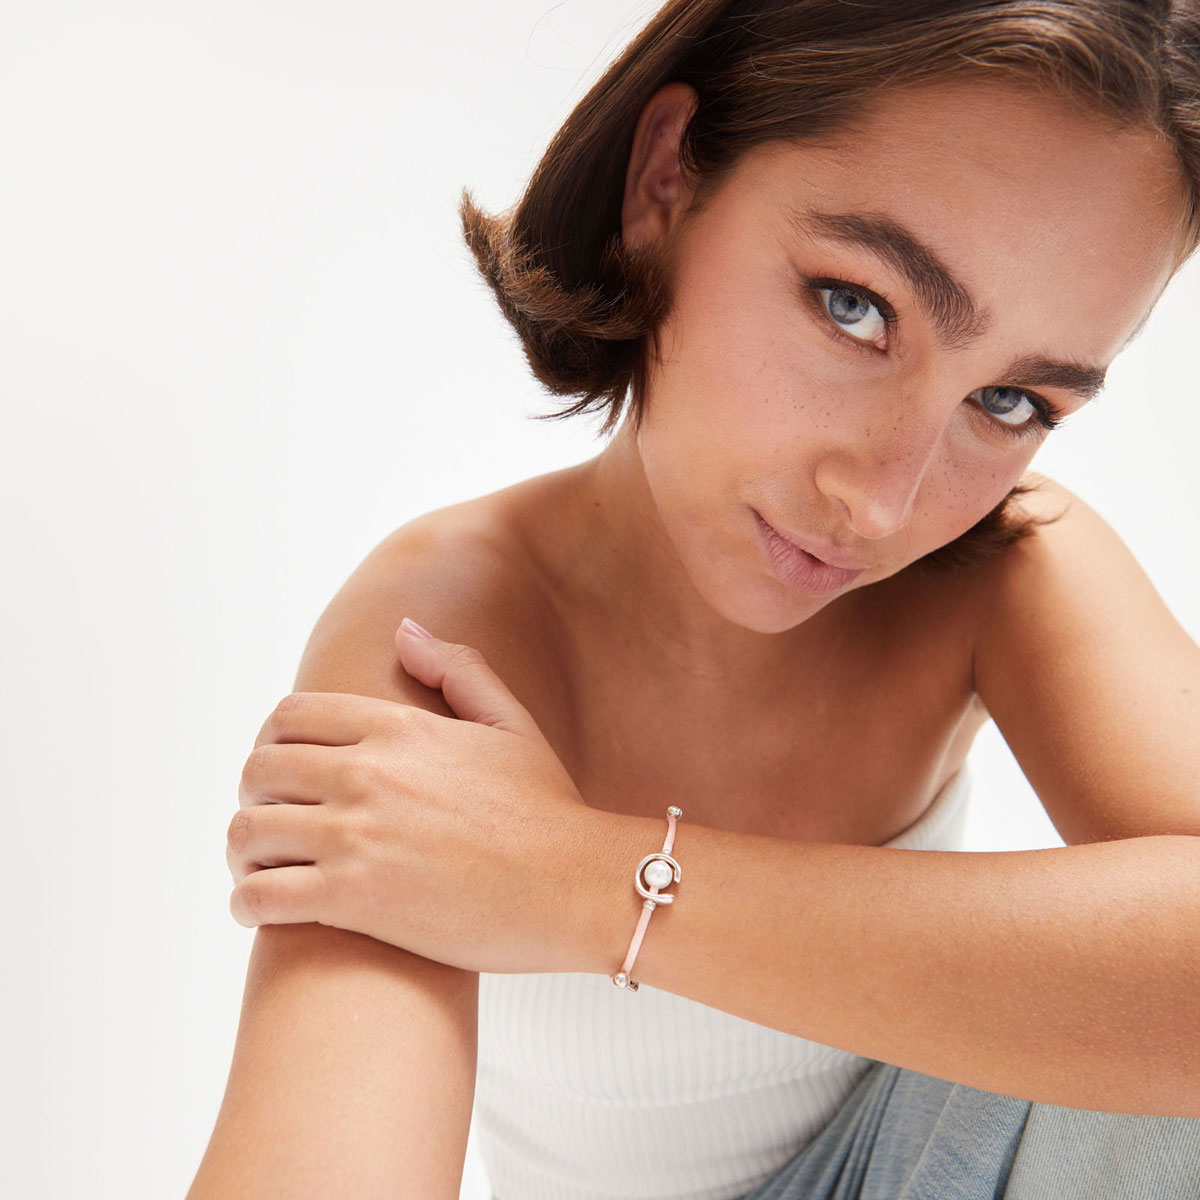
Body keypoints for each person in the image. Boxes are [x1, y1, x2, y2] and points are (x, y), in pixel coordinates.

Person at [189, 1, 1200, 1197]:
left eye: (1013, 403)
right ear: (666, 179)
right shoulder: (446, 632)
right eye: (857, 307)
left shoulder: (1004, 568)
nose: (883, 502)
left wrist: (579, 879)